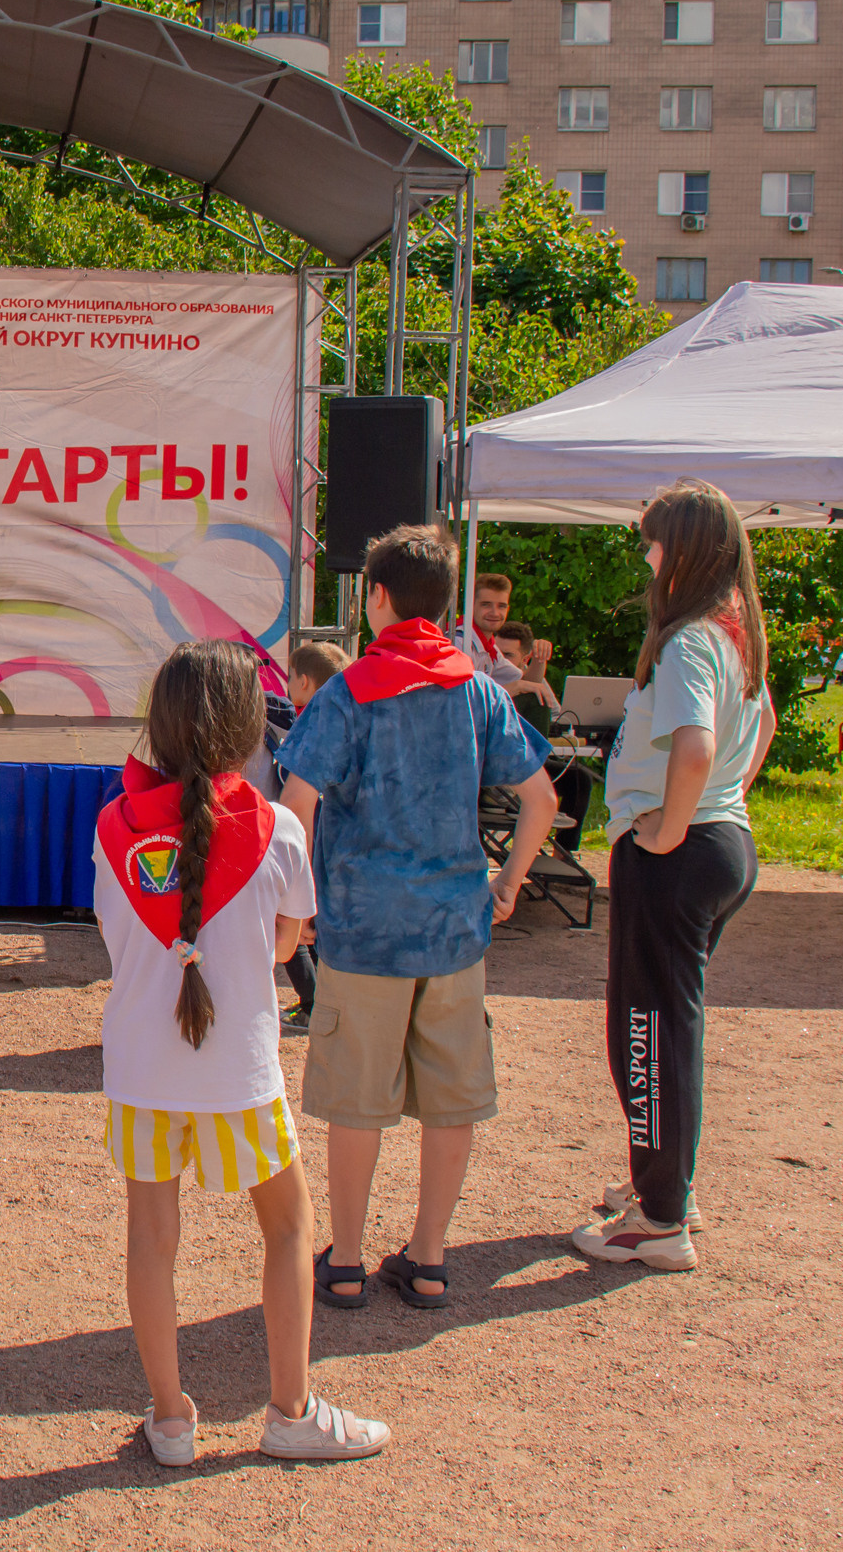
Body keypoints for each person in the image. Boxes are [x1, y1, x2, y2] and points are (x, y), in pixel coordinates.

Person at [95, 639, 390, 1464]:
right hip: (240, 1072)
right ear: (246, 728)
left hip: (142, 1068)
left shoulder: (112, 826)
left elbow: (118, 941)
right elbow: (287, 943)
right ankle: (290, 1412)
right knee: (290, 1227)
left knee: (151, 1238)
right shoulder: (279, 829)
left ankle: (170, 1420)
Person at [275, 524, 558, 1311]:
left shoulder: (346, 692)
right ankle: (429, 1258)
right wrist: (507, 882)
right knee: (450, 1100)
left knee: (356, 1102)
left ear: (376, 598)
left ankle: (346, 1261)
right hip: (455, 929)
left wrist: (298, 905)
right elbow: (541, 799)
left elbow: (296, 805)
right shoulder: (479, 690)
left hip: (363, 930)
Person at [573, 480, 777, 1272]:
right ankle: (665, 1191)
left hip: (679, 853)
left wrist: (668, 828)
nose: (648, 557)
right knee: (669, 1028)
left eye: (655, 543)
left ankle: (659, 1222)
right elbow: (763, 728)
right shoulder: (735, 631)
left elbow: (695, 748)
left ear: (685, 550)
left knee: (648, 1034)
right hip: (721, 843)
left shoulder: (691, 639)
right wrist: (719, 805)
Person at [252, 639, 349, 1037]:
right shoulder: (350, 718)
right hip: (333, 839)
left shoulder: (311, 724)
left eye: (290, 677)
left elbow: (295, 798)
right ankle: (327, 1001)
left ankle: (314, 1003)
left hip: (300, 836)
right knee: (312, 921)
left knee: (290, 919)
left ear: (304, 682)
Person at [453, 572, 556, 706]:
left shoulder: (489, 647)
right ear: (471, 606)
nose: (495, 613)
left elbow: (527, 683)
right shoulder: (459, 642)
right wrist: (513, 687)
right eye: (486, 605)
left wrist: (539, 657)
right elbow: (462, 700)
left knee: (533, 695)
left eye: (501, 606)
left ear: (508, 609)